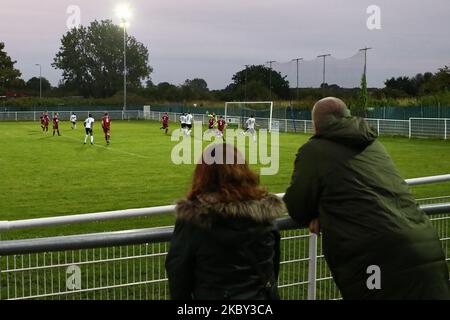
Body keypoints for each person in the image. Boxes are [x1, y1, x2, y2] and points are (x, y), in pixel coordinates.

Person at [283, 97, 449, 300]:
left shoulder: (313, 150)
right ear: (347, 116)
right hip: (425, 247)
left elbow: (298, 207)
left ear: (315, 125)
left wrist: (320, 213)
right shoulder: (374, 144)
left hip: (377, 259)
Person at [166, 143, 285, 300]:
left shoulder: (195, 219)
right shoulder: (265, 216)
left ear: (203, 175)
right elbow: (271, 269)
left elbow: (178, 275)